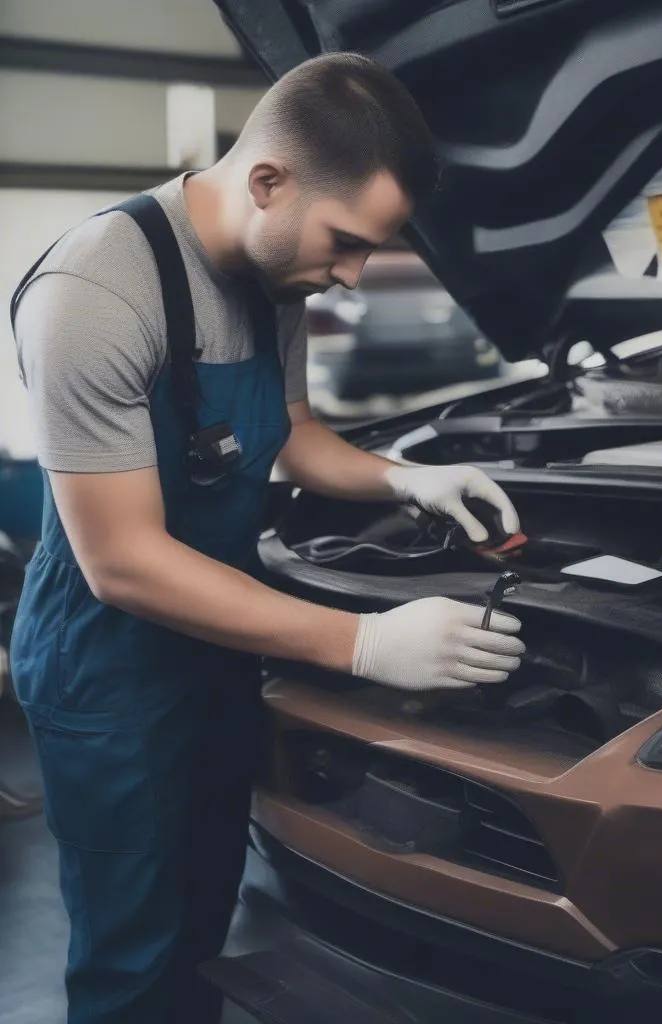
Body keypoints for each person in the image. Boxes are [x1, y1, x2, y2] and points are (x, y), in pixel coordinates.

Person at [8, 53, 525, 1024]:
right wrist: (364, 641)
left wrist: (407, 478)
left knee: (203, 918)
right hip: (107, 675)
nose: (351, 276)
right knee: (130, 954)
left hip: (220, 652)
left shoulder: (274, 272)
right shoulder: (96, 291)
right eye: (346, 242)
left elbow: (290, 436)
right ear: (266, 181)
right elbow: (120, 560)